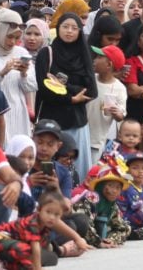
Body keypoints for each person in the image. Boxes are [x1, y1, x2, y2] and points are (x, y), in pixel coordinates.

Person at [34, 13, 97, 178]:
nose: (69, 31)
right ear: (58, 28)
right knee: (48, 169)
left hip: (76, 122)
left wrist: (62, 86)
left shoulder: (84, 55)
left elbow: (92, 91)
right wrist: (71, 98)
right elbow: (44, 89)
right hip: (51, 121)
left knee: (77, 168)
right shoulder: (46, 54)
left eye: (74, 28)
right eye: (65, 27)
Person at [0, 8, 37, 143]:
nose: (12, 42)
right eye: (9, 37)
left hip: (18, 112)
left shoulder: (21, 52)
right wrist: (2, 73)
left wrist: (24, 73)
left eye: (17, 38)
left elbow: (32, 86)